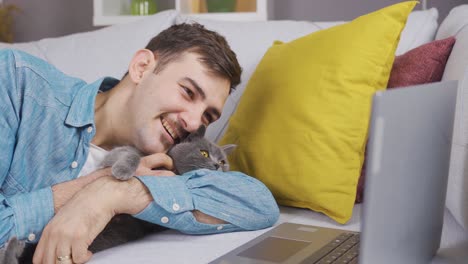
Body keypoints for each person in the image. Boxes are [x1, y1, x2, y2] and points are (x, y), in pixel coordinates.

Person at [0, 23, 279, 263]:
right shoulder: (17, 82)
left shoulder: (171, 160)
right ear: (142, 67)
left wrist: (112, 194)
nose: (194, 123)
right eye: (187, 92)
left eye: (208, 115)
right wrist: (91, 185)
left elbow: (260, 205)